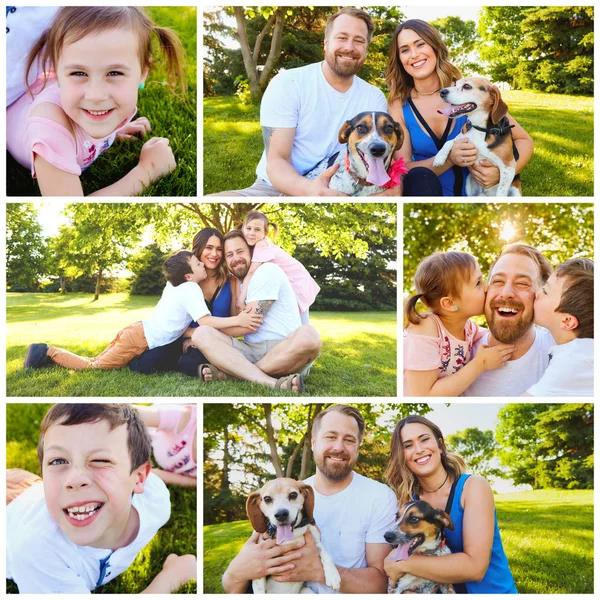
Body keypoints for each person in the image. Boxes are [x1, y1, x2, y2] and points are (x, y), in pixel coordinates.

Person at [6, 403, 196, 593]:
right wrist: (173, 575)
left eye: (100, 460)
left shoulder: (154, 501)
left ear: (139, 478)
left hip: (26, 494)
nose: (75, 480)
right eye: (58, 461)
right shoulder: (36, 552)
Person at [212, 8, 398, 197]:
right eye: (342, 38)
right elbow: (277, 162)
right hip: (278, 187)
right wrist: (312, 191)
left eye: (359, 40)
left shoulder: (373, 97)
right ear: (326, 43)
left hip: (352, 188)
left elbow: (384, 156)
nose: (349, 47)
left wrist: (392, 191)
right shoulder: (288, 83)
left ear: (366, 48)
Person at [7, 6, 184, 196]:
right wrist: (147, 170)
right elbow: (72, 206)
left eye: (114, 73)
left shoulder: (113, 105)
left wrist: (115, 130)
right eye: (79, 73)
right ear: (58, 73)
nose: (96, 95)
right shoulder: (49, 130)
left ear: (142, 74)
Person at [222, 404, 397, 593]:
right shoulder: (286, 498)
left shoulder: (379, 496)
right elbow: (233, 585)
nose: (338, 447)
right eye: (330, 437)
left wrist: (318, 570)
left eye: (349, 440)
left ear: (358, 447)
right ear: (313, 442)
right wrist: (235, 573)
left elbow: (382, 585)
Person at [23, 250, 261, 372]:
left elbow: (174, 269)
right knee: (95, 366)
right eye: (198, 264)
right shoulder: (190, 289)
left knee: (97, 360)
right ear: (188, 275)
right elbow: (206, 321)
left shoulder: (176, 284)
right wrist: (238, 319)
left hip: (137, 332)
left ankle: (49, 359)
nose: (202, 265)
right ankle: (46, 350)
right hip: (139, 338)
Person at [386, 19, 533, 196]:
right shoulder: (399, 105)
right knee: (419, 176)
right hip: (428, 197)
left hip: (477, 196)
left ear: (435, 47)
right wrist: (449, 159)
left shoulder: (470, 92)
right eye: (405, 50)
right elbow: (404, 169)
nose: (414, 54)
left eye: (420, 45)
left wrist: (499, 174)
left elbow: (524, 141)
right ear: (399, 59)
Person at [384, 415, 517, 593]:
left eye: (424, 440)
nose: (419, 449)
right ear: (402, 456)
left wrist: (400, 563)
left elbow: (475, 568)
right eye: (408, 445)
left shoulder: (473, 487)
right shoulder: (409, 502)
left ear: (440, 445)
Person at [191, 231, 321, 393]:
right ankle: (271, 382)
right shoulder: (237, 284)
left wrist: (213, 324)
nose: (235, 258)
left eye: (240, 251)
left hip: (285, 349)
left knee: (310, 336)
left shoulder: (267, 271)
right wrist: (203, 330)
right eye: (229, 255)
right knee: (201, 334)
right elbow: (236, 325)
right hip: (250, 350)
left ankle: (235, 374)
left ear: (252, 253)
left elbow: (247, 326)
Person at [404, 251, 514, 396]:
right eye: (478, 283)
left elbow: (492, 335)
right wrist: (480, 364)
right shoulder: (426, 328)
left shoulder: (468, 328)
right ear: (449, 303)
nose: (487, 288)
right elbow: (423, 395)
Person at [129, 228, 236, 376]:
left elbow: (233, 320)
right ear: (199, 249)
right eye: (209, 248)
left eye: (219, 249)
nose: (214, 254)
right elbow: (168, 321)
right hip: (181, 338)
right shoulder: (181, 280)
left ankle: (214, 366)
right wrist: (193, 335)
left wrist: (202, 339)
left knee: (190, 364)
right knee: (144, 365)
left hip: (215, 340)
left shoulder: (230, 280)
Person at [463, 243, 554, 396]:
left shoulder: (563, 351)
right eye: (498, 281)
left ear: (541, 295)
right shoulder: (455, 354)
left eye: (522, 284)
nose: (506, 293)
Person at [524, 257, 594, 396]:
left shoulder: (572, 361)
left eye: (545, 291)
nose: (537, 293)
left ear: (567, 321)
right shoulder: (586, 349)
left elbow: (526, 399)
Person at [238, 211, 320, 325]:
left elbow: (251, 273)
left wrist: (241, 298)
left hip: (298, 282)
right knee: (299, 323)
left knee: (301, 324)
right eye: (248, 228)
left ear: (265, 233)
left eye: (257, 230)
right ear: (243, 228)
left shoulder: (261, 244)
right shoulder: (262, 244)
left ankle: (310, 340)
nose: (251, 233)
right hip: (298, 279)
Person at [136, 404, 198, 487]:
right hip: (160, 413)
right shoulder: (184, 419)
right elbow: (126, 414)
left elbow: (195, 482)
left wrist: (152, 474)